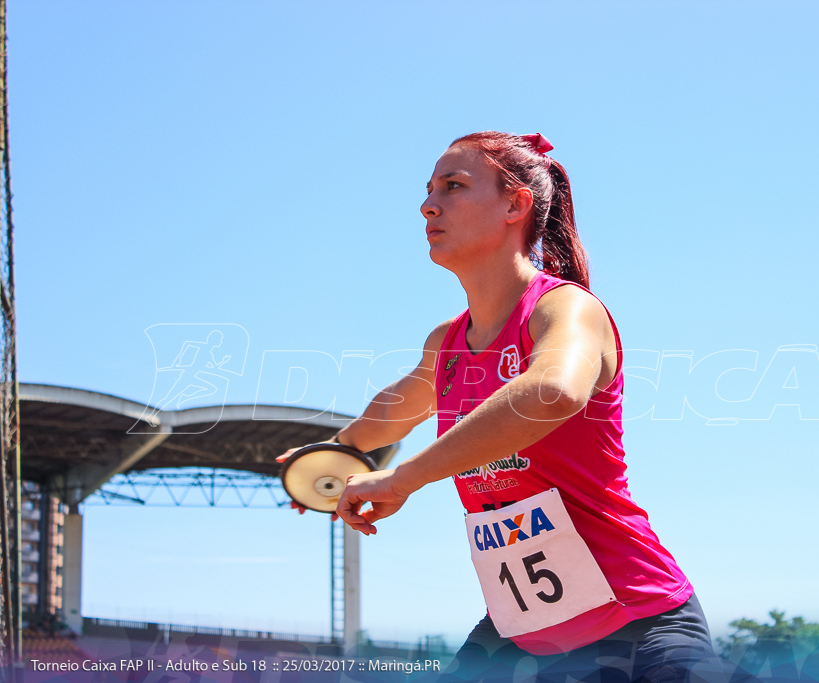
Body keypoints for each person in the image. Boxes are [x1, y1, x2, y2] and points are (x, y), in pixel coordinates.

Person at [280, 131, 714, 681]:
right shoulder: (447, 342)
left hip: (636, 623)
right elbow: (397, 408)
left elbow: (552, 392)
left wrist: (404, 478)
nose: (428, 204)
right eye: (429, 190)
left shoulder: (566, 310)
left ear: (515, 204)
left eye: (453, 186)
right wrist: (328, 457)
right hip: (521, 632)